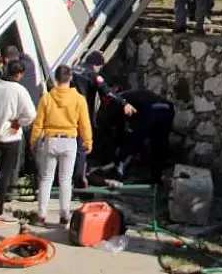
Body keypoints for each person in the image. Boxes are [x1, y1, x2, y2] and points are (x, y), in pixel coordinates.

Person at [31, 65, 92, 226]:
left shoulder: (47, 98)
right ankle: (64, 215)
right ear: (70, 78)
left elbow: (38, 123)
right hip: (69, 141)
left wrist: (34, 141)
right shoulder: (79, 99)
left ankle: (42, 214)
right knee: (65, 180)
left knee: (46, 179)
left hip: (50, 140)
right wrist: (88, 141)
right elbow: (85, 124)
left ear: (55, 79)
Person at [71, 50, 136, 188]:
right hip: (80, 113)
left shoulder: (73, 68)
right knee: (81, 147)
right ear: (97, 65)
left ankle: (65, 175)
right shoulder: (92, 74)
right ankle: (79, 180)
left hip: (65, 111)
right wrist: (124, 103)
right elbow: (108, 92)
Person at [0, 56, 37, 222]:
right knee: (4, 173)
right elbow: (31, 114)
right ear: (20, 74)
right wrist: (18, 123)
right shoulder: (19, 91)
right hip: (10, 136)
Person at [114, 89, 175, 180]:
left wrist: (120, 144)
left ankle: (119, 170)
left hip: (150, 110)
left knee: (131, 142)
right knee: (159, 144)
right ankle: (157, 176)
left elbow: (122, 124)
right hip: (167, 109)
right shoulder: (137, 93)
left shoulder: (118, 100)